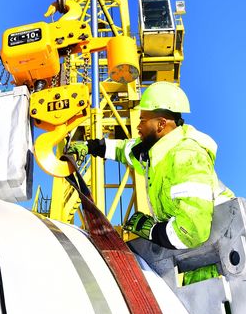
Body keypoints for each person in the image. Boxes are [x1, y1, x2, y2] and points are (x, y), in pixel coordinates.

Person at [68, 81, 233, 283]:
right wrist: (91, 147)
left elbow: (192, 231)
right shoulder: (155, 153)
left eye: (143, 120)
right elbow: (125, 150)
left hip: (218, 265)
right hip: (198, 258)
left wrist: (151, 229)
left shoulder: (186, 156)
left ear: (161, 124)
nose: (137, 126)